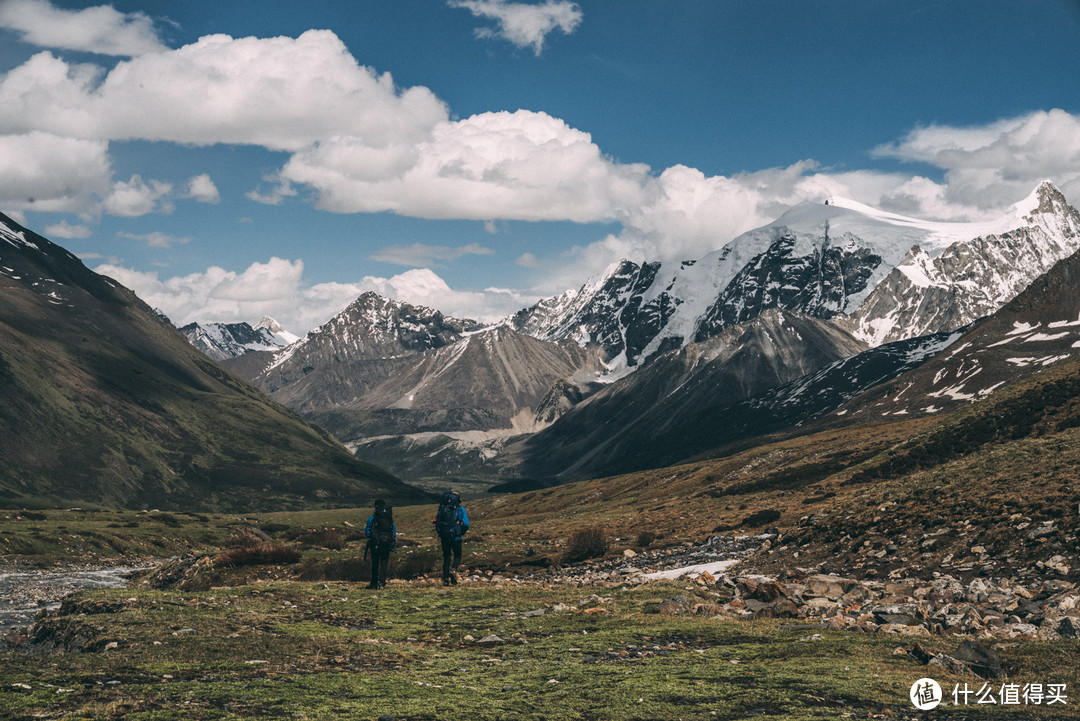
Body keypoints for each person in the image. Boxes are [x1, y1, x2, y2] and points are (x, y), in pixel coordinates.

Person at [433, 491, 469, 586]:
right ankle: (453, 570)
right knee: (457, 555)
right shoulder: (461, 509)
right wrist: (461, 532)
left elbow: (437, 522)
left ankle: (445, 580)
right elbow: (466, 524)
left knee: (446, 557)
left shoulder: (442, 508)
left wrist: (440, 533)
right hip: (456, 536)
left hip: (445, 536)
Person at [364, 500, 396, 589]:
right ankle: (382, 583)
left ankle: (374, 583)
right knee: (384, 564)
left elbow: (367, 531)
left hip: (375, 545)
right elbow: (393, 530)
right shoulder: (389, 517)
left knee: (375, 564)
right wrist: (392, 541)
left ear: (376, 506)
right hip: (386, 545)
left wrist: (372, 538)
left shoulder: (373, 517)